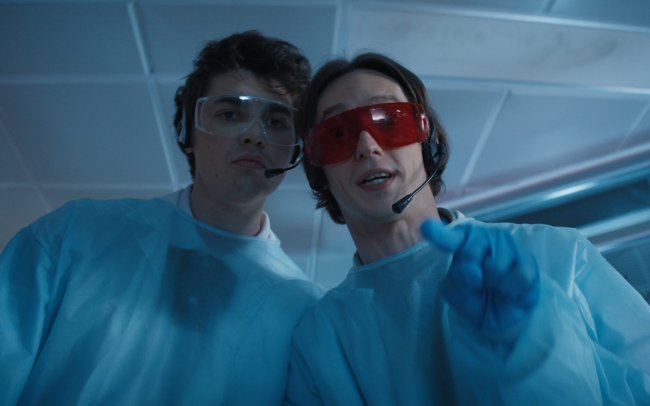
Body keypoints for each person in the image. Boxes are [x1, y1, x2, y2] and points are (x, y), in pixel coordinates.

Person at [285, 52, 650, 404]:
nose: (367, 146)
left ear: (429, 141)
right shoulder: (319, 340)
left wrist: (532, 342)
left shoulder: (557, 251)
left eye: (389, 121)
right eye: (337, 133)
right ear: (319, 171)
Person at [0, 30, 323, 404]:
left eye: (277, 121)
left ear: (295, 150)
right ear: (188, 131)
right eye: (230, 114)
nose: (255, 136)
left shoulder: (303, 311)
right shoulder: (73, 236)